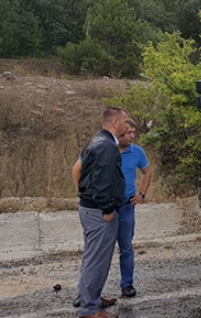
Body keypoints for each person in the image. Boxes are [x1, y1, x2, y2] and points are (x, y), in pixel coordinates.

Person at [72, 119, 152, 306]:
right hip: (103, 208)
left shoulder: (137, 151)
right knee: (95, 253)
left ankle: (126, 284)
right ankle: (86, 295)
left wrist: (141, 194)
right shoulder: (104, 149)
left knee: (125, 247)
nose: (132, 136)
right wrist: (84, 195)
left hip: (125, 207)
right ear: (119, 133)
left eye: (133, 132)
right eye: (128, 132)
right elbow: (77, 169)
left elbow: (147, 172)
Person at [74, 107, 130, 318]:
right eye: (125, 122)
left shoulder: (97, 141)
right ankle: (89, 309)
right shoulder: (107, 146)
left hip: (90, 209)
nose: (128, 125)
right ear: (115, 123)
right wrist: (107, 208)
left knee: (92, 256)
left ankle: (91, 297)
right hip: (99, 212)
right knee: (98, 259)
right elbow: (101, 182)